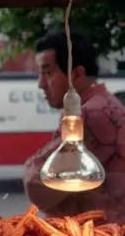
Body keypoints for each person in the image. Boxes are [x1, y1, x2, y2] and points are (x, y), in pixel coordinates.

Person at [24, 30, 125, 223]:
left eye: (48, 72)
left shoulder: (91, 114)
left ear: (77, 74)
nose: (41, 84)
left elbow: (35, 184)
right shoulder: (104, 104)